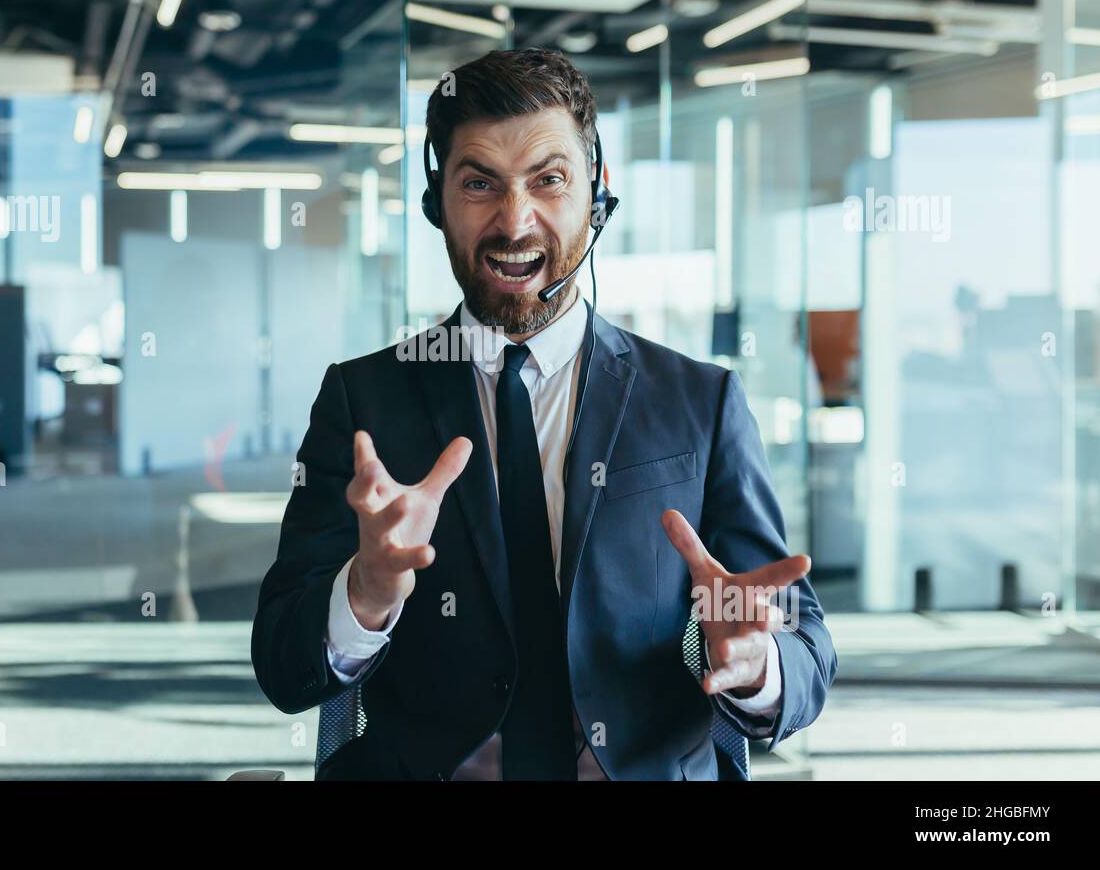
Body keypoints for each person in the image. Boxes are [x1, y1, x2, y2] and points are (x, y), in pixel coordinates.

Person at [252, 46, 836, 780]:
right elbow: (283, 666)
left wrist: (755, 660)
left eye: (549, 180)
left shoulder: (698, 401)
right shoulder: (363, 400)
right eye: (479, 184)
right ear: (438, 204)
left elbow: (807, 648)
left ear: (596, 191)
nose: (514, 220)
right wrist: (364, 595)